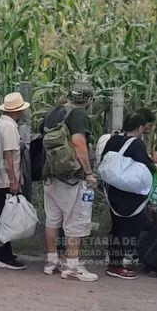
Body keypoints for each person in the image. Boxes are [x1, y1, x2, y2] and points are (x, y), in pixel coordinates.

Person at [100, 112, 157, 280]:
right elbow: (150, 169)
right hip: (130, 195)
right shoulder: (136, 145)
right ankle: (118, 265)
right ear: (140, 127)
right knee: (130, 228)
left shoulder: (113, 139)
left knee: (116, 228)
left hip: (113, 192)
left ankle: (114, 261)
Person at [41, 82, 98, 282]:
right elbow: (78, 142)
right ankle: (72, 267)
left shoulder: (54, 112)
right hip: (72, 177)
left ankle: (52, 261)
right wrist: (88, 173)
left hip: (51, 175)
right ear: (89, 100)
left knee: (52, 220)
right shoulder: (79, 115)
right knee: (75, 221)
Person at [0, 92, 30, 270]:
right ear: (18, 112)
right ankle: (4, 255)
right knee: (7, 218)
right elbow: (8, 155)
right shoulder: (10, 127)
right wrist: (14, 180)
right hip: (5, 179)